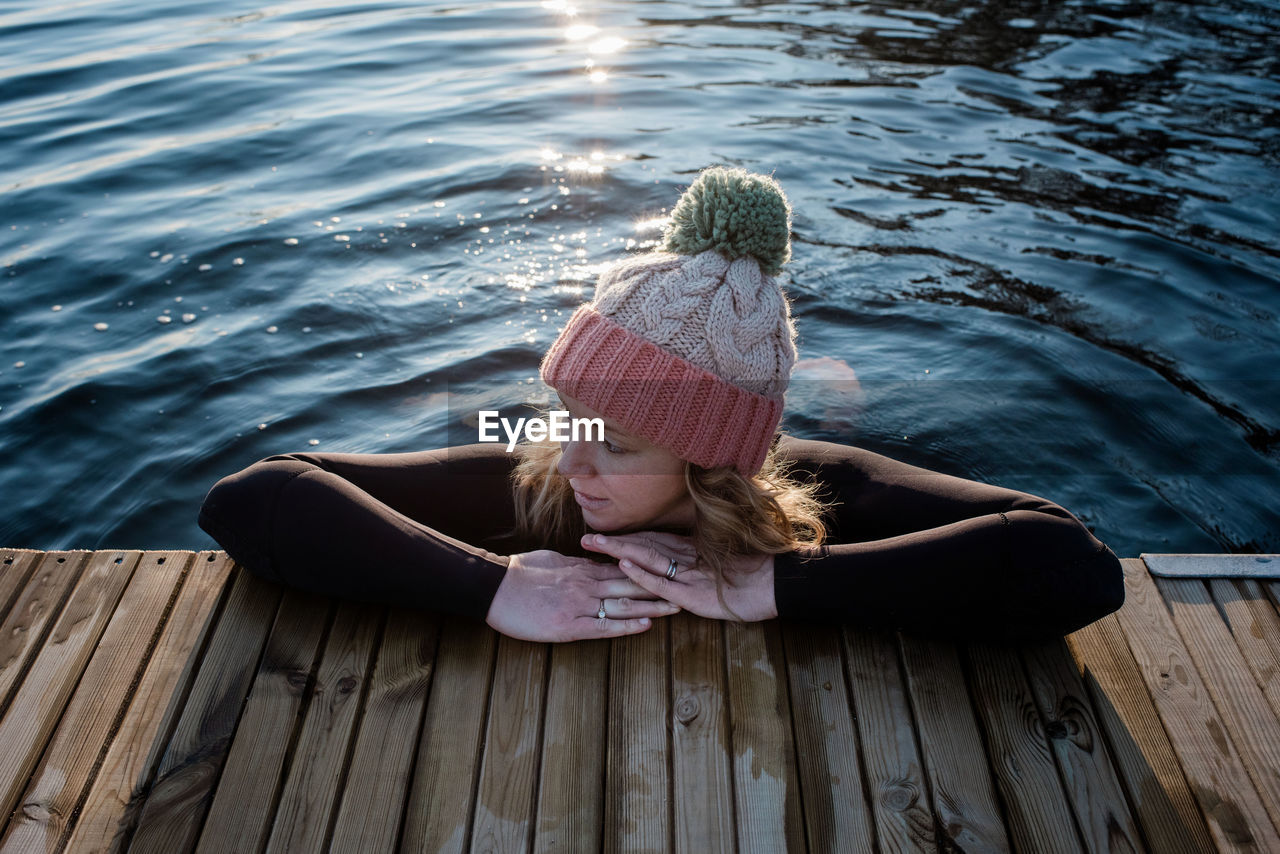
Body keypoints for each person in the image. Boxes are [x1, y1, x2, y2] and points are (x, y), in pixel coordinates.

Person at [198, 167, 1124, 644]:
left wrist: (776, 585)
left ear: (712, 458)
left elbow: (1070, 564)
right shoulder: (540, 454)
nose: (573, 462)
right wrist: (492, 586)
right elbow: (258, 496)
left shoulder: (813, 476)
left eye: (621, 445)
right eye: (574, 416)